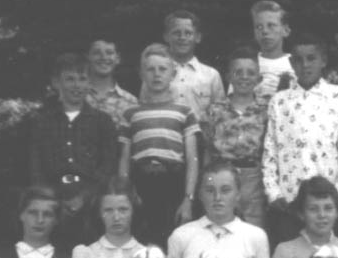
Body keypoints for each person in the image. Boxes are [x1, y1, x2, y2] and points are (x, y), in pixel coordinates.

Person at [263, 32, 338, 246]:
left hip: (327, 201)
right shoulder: (279, 101)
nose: (305, 65)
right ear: (291, 63)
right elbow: (270, 151)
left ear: (323, 60)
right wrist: (274, 194)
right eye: (298, 59)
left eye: (311, 58)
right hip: (289, 200)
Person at [118, 44, 200, 247]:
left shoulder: (184, 112)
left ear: (172, 73)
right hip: (140, 185)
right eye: (150, 69)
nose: (156, 75)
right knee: (142, 242)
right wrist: (125, 194)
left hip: (173, 184)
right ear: (141, 73)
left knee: (172, 243)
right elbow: (124, 160)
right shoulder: (131, 114)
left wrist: (188, 199)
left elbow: (192, 159)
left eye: (162, 69)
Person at [167, 163, 270, 258]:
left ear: (238, 194)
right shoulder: (181, 236)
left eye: (226, 190)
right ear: (200, 194)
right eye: (209, 191)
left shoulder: (256, 236)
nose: (217, 198)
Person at [29, 52, 117, 201]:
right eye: (70, 79)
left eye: (82, 79)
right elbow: (36, 168)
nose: (77, 85)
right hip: (52, 197)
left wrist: (86, 197)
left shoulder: (103, 121)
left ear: (89, 83)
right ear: (56, 83)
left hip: (92, 197)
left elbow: (108, 166)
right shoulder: (43, 122)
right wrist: (47, 197)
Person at [201, 47, 270, 229]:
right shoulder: (215, 110)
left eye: (250, 73)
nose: (244, 77)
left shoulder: (266, 109)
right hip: (221, 175)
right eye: (238, 72)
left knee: (253, 225)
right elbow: (207, 148)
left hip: (253, 178)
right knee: (220, 223)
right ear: (229, 77)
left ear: (259, 78)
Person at [156, 10, 225, 119]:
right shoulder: (156, 73)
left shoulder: (211, 75)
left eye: (188, 33)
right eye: (176, 33)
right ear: (166, 36)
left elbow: (220, 116)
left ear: (198, 37)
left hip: (200, 135)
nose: (182, 38)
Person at [85, 39, 139, 129]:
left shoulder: (131, 102)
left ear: (118, 58)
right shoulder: (76, 95)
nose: (103, 57)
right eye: (97, 53)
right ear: (88, 57)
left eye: (109, 53)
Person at [250, 0, 295, 100]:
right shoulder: (247, 64)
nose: (265, 31)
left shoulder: (296, 64)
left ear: (285, 30)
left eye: (271, 25)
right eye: (259, 27)